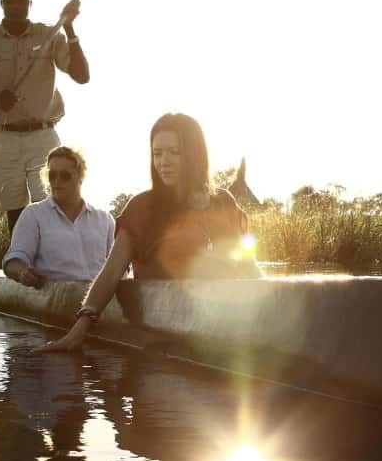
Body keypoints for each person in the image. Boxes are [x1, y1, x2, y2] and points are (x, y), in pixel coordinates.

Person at [35, 113, 260, 353]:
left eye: (175, 152)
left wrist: (277, 304)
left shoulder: (224, 202)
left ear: (195, 154)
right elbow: (111, 274)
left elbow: (249, 267)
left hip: (223, 328)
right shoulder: (141, 208)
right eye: (157, 153)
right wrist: (77, 331)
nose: (164, 161)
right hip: (163, 337)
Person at [0, 0, 91, 233]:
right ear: (2, 4)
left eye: (21, 0)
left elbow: (81, 75)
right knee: (16, 214)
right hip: (5, 136)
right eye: (10, 0)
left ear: (29, 3)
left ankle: (56, 265)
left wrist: (69, 28)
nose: (16, 5)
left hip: (42, 135)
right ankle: (22, 268)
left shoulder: (49, 35)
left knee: (54, 202)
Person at [3, 146, 114, 286]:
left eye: (65, 176)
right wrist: (22, 273)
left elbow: (119, 270)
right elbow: (13, 261)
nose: (56, 181)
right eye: (52, 175)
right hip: (52, 300)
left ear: (80, 177)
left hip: (97, 302)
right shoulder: (33, 214)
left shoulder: (105, 219)